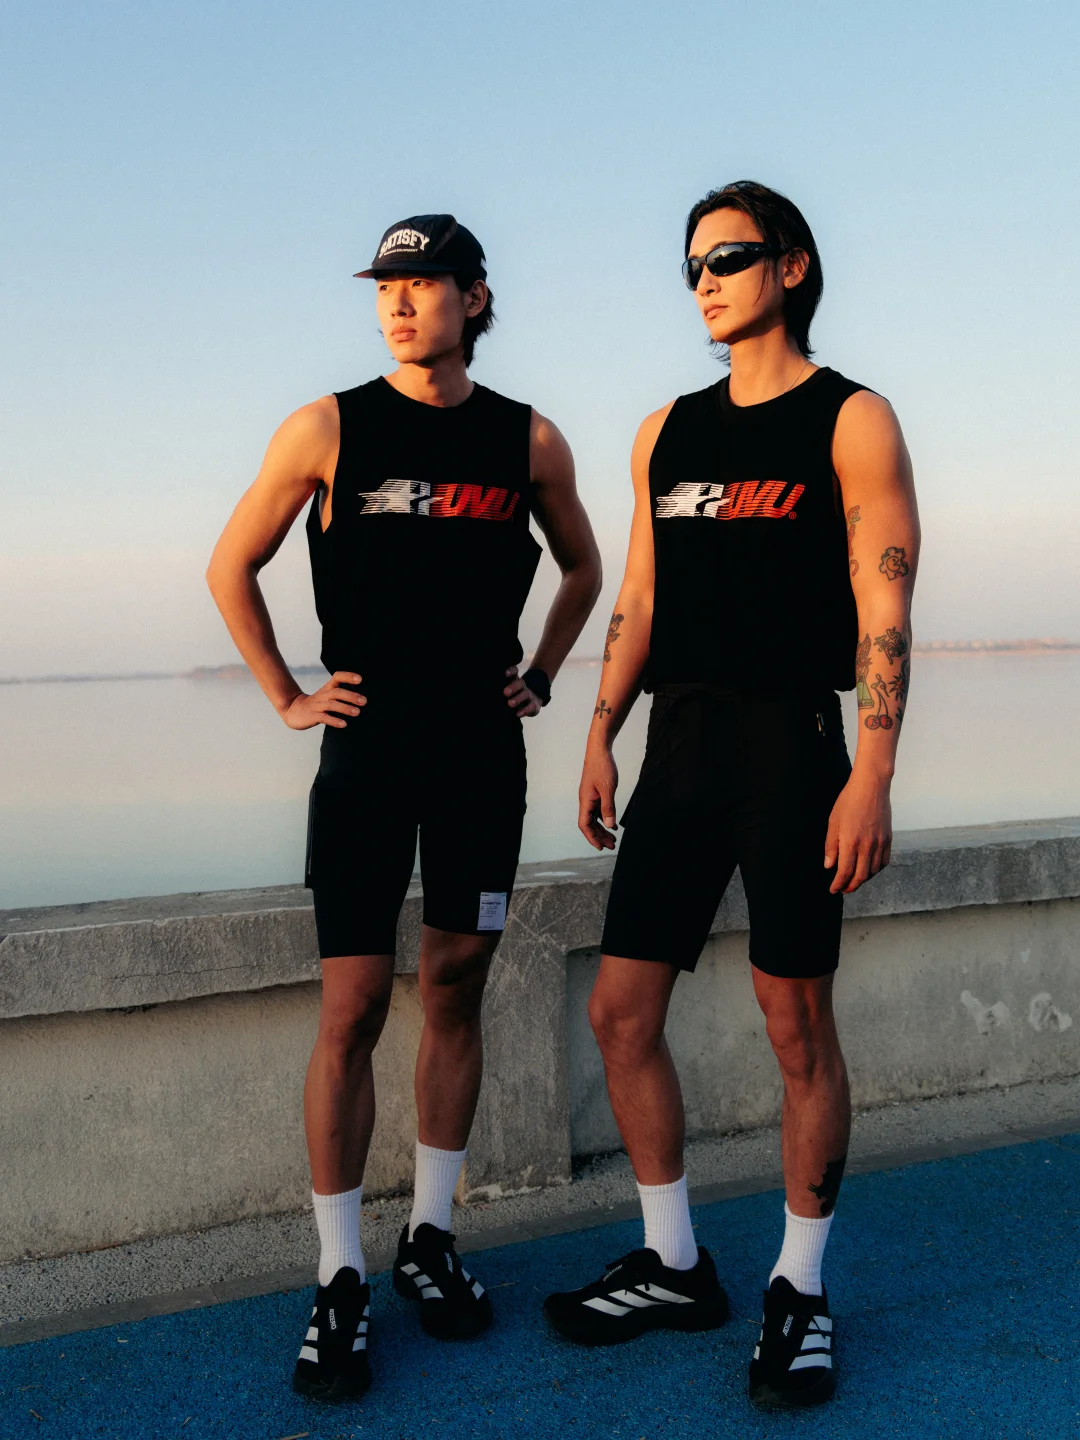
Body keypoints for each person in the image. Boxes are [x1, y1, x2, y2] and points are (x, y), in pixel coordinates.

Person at [207, 213, 601, 1402]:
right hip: (368, 752)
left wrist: (542, 671)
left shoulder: (527, 439)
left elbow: (584, 567)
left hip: (480, 754)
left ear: (474, 297)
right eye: (386, 285)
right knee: (354, 1006)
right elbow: (231, 565)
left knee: (459, 983)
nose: (398, 302)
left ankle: (431, 1236)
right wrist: (288, 695)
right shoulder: (327, 427)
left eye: (424, 283)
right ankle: (338, 1274)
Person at [543, 181, 918, 1409]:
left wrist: (872, 772)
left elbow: (885, 601)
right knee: (619, 1014)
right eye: (692, 265)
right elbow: (641, 595)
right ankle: (674, 1262)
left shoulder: (852, 419)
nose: (704, 281)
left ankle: (799, 1287)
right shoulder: (665, 431)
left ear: (792, 267)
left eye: (729, 258)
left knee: (794, 1024)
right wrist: (600, 731)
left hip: (793, 748)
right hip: (679, 746)